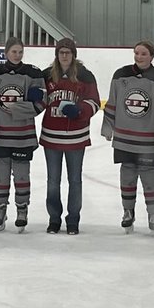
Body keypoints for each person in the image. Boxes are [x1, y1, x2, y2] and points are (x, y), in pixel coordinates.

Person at [101, 40, 154, 233]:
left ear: (152, 56)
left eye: (144, 54)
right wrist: (108, 128)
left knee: (148, 173)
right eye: (137, 53)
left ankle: (153, 213)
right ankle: (128, 212)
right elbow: (113, 102)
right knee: (127, 173)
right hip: (124, 137)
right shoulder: (121, 75)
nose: (139, 57)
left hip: (149, 138)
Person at [0, 37, 46, 233]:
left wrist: (19, 109)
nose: (17, 55)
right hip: (0, 134)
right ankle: (0, 210)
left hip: (23, 135)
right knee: (0, 175)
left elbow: (41, 103)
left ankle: (22, 209)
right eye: (14, 52)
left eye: (20, 52)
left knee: (21, 174)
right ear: (6, 52)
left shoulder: (33, 73)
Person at [39, 38, 101, 235]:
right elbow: (40, 102)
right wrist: (33, 96)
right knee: (52, 181)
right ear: (56, 55)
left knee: (75, 180)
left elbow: (95, 102)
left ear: (74, 54)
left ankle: (73, 220)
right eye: (61, 52)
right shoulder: (47, 75)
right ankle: (54, 219)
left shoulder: (85, 75)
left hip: (76, 137)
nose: (64, 55)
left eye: (68, 52)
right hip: (51, 138)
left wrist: (80, 110)